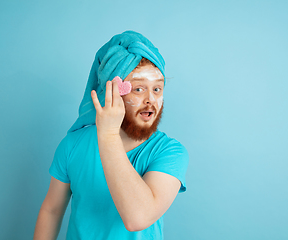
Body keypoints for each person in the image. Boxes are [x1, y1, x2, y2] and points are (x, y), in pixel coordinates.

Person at [33, 31, 189, 240]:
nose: (150, 99)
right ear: (111, 92)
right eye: (139, 89)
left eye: (157, 89)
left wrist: (107, 135)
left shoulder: (170, 152)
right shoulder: (73, 144)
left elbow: (138, 218)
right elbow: (51, 210)